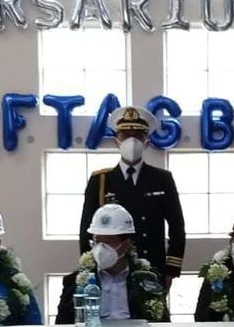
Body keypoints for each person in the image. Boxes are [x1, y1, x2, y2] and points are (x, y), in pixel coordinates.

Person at [78, 106, 185, 289]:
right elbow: (86, 230)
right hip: (110, 269)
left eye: (138, 136)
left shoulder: (162, 179)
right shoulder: (101, 180)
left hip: (152, 269)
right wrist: (89, 268)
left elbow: (177, 227)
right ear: (116, 141)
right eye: (125, 135)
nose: (132, 141)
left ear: (146, 142)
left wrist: (171, 270)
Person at [56, 204, 168, 324]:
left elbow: (163, 323)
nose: (101, 249)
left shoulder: (147, 280)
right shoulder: (74, 282)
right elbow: (62, 326)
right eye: (97, 241)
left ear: (127, 244)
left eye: (109, 242)